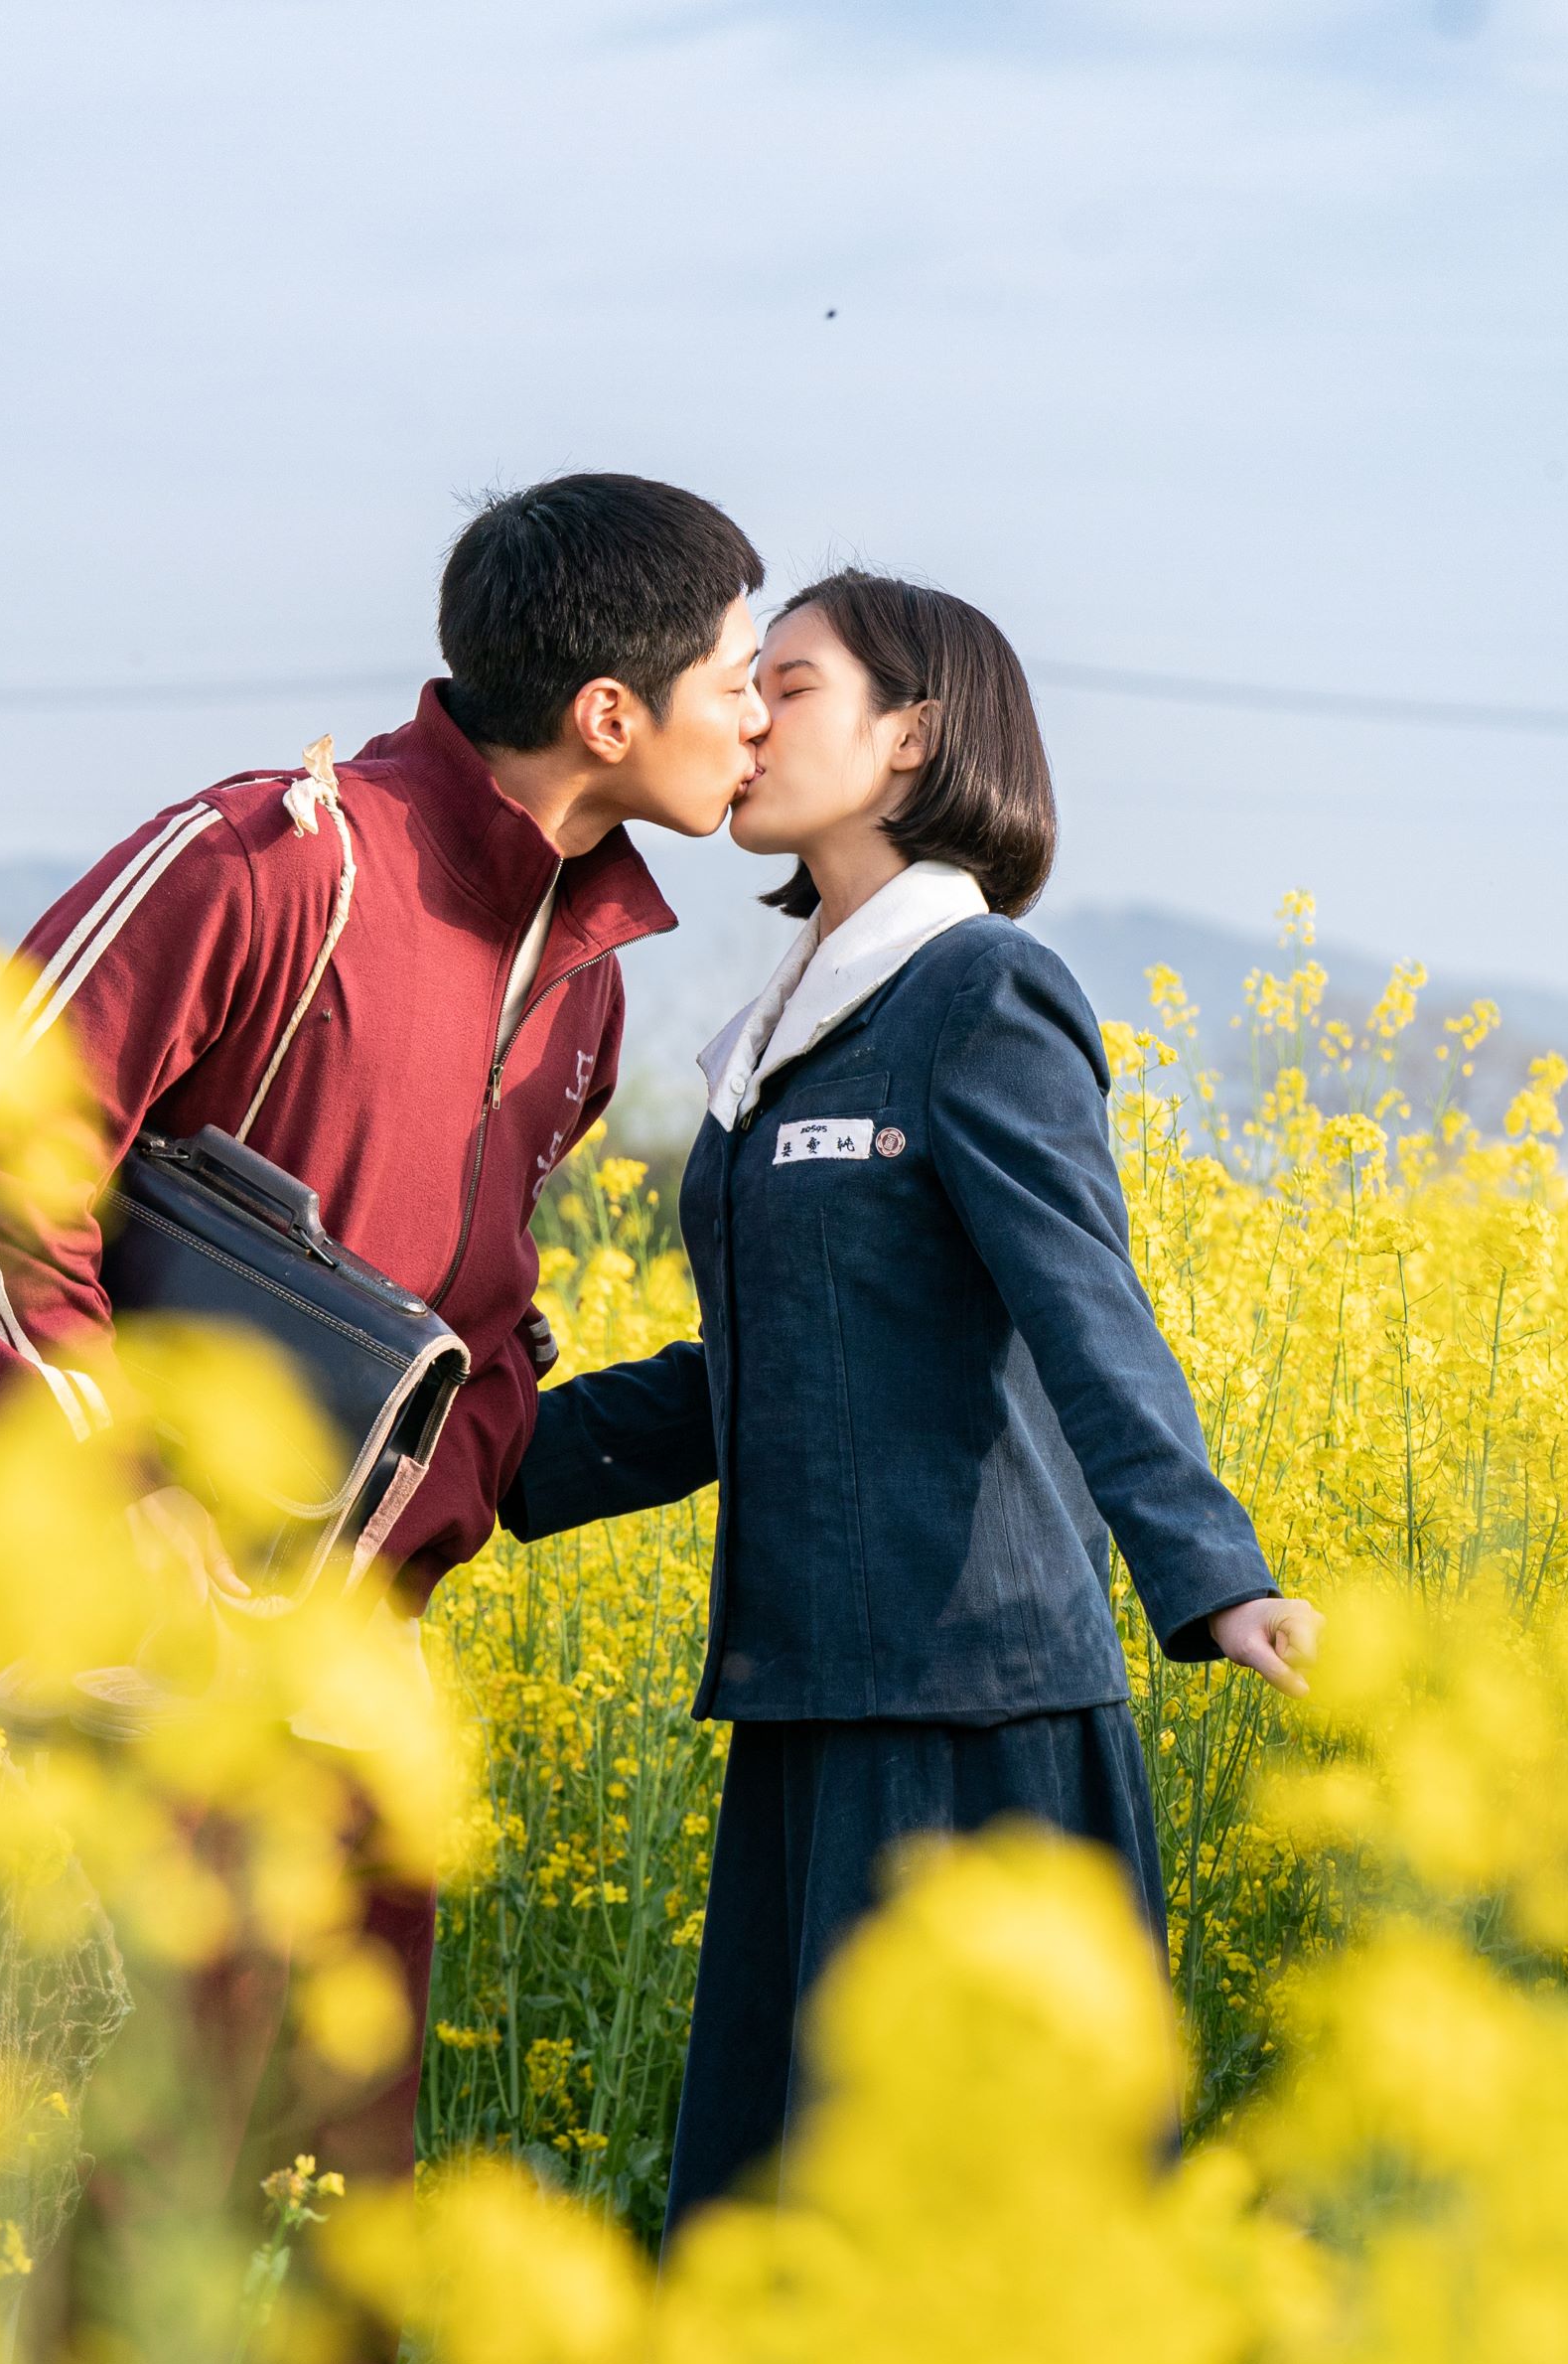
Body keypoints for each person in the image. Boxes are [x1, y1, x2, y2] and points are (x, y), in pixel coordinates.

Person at [0, 472, 771, 2216]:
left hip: (362, 1673)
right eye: (743, 675)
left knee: (335, 2204)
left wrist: (510, 1439)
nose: (763, 718)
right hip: (138, 1662)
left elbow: (467, 1299)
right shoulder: (273, 859)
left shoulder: (590, 989)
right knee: (121, 2195)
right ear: (613, 714)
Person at [499, 570, 1318, 2237]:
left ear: (908, 740)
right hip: (810, 1708)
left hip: (976, 1710)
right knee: (783, 2219)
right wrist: (487, 1462)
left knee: (984, 2228)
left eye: (786, 687)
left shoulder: (977, 996)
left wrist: (1212, 1569)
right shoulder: (776, 1034)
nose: (743, 717)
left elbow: (1085, 1308)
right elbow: (775, 1368)